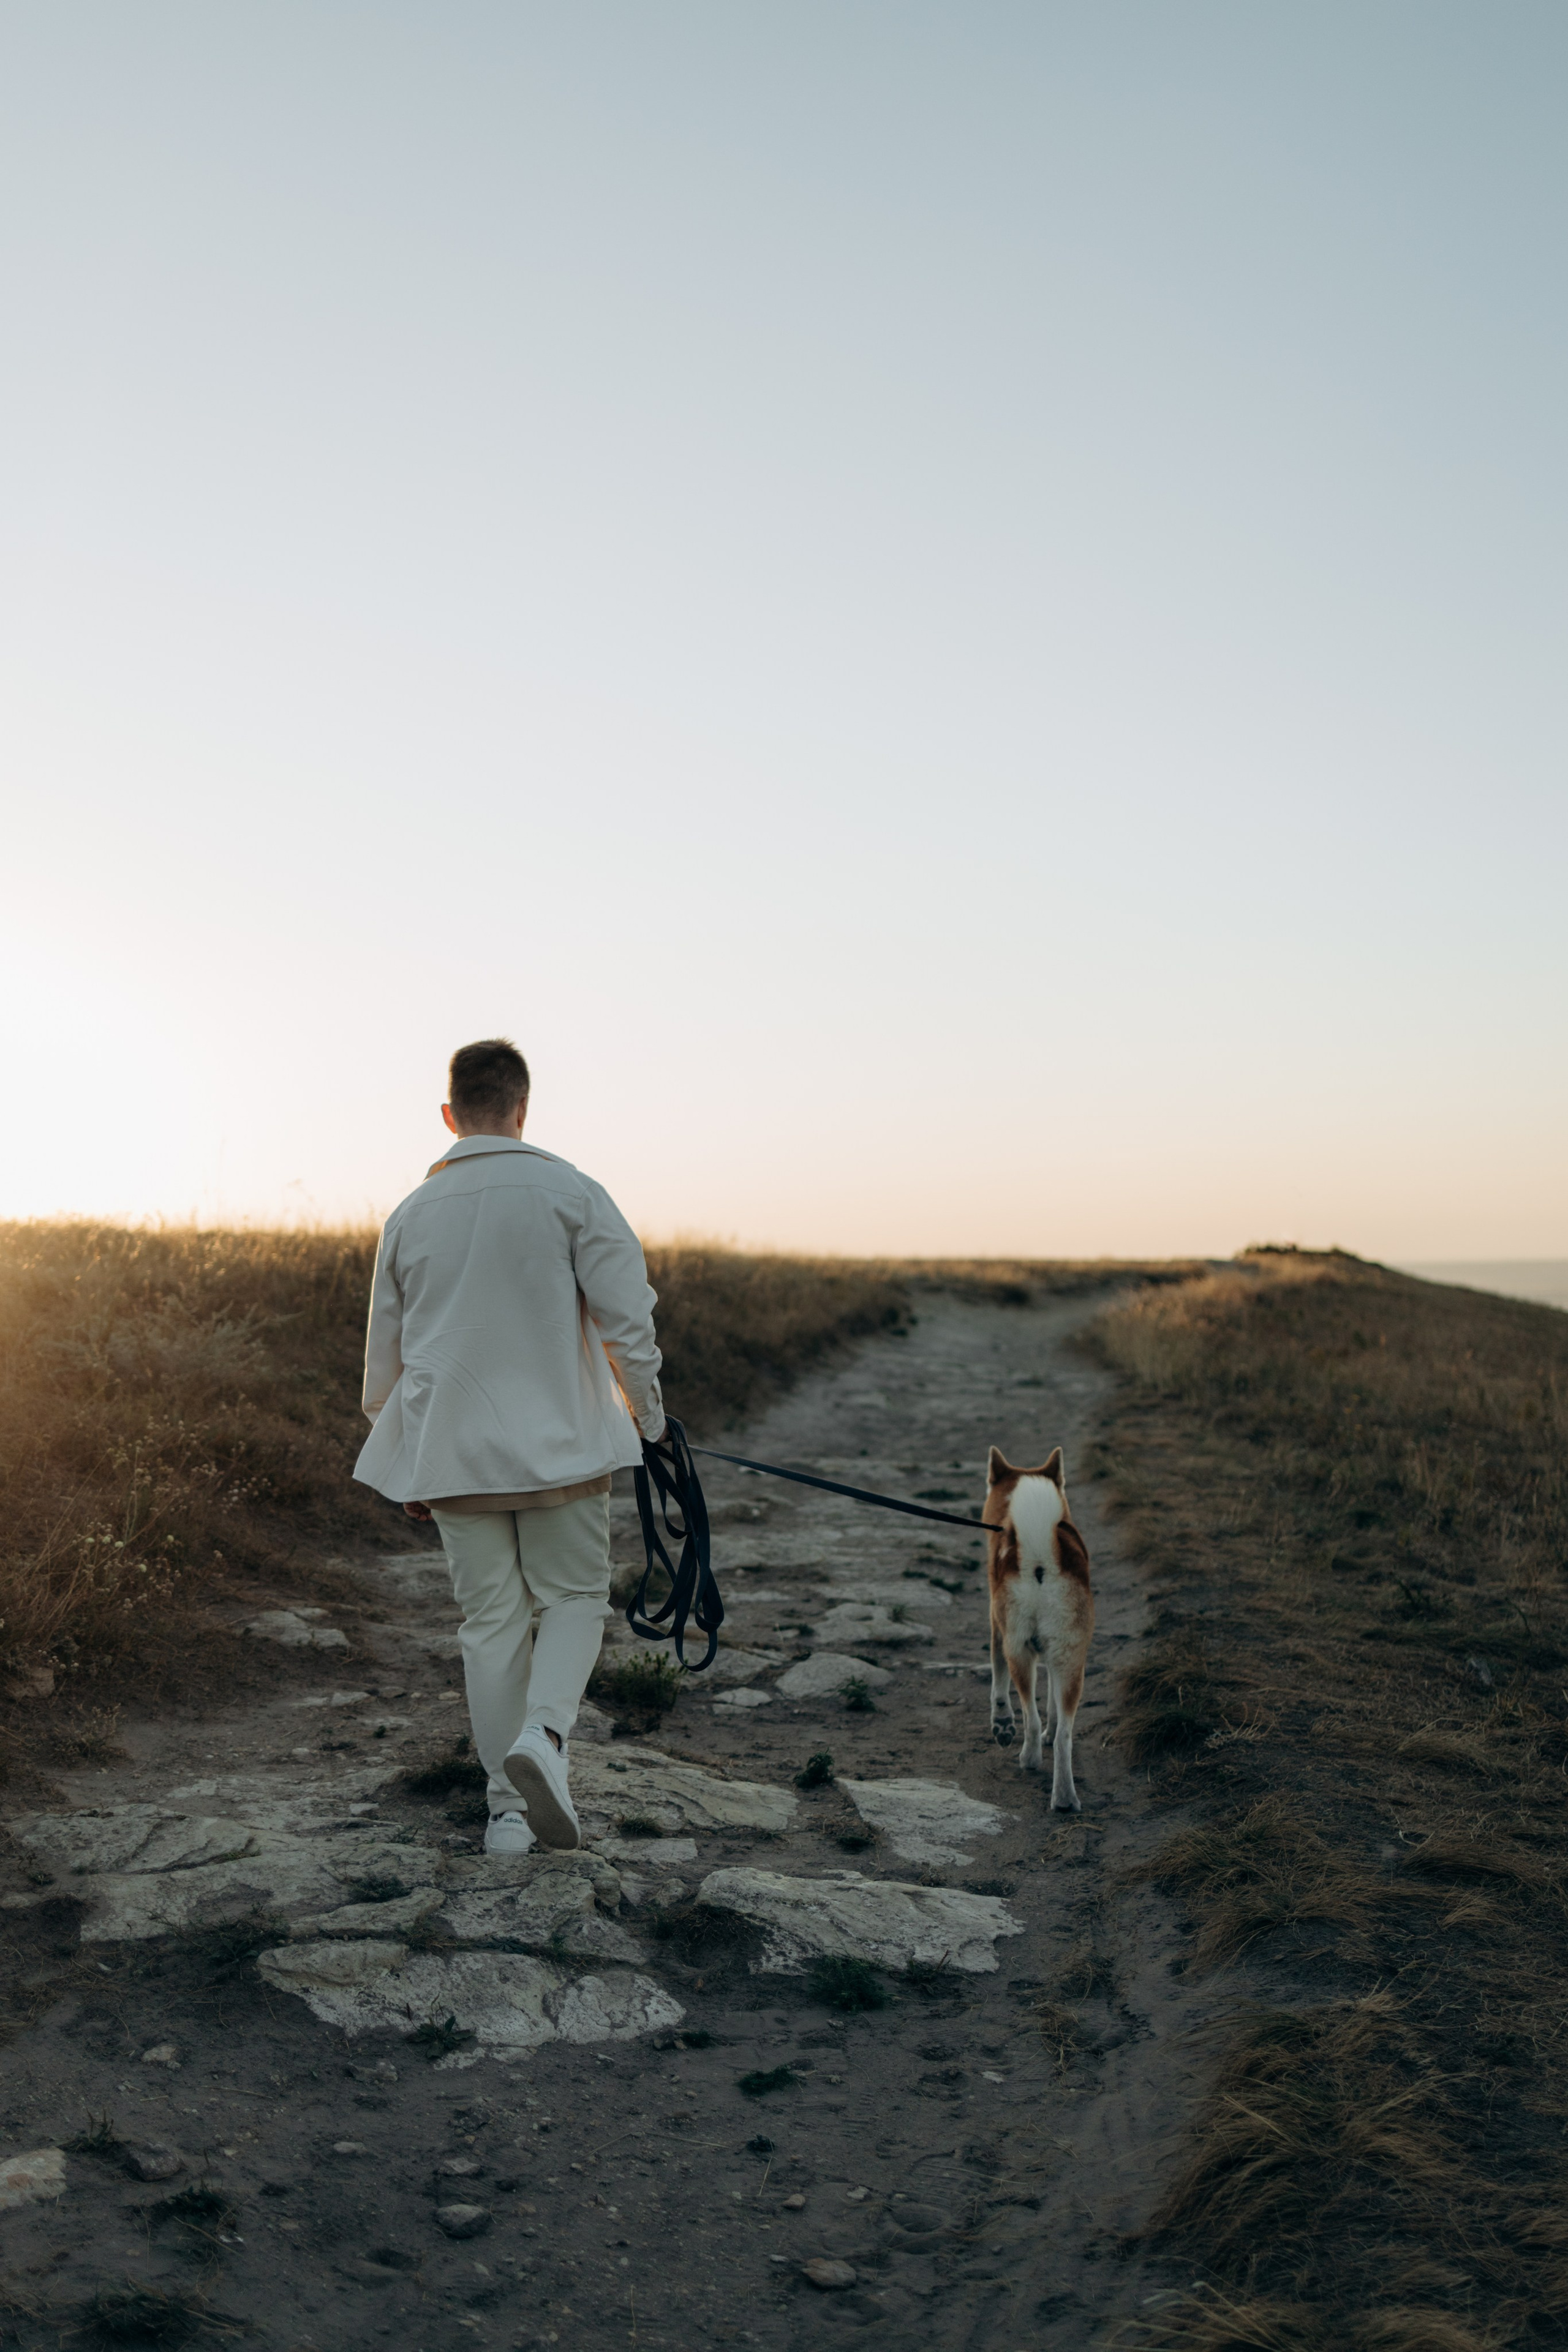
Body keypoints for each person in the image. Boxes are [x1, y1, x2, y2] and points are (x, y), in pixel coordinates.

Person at [354, 1038, 665, 1856]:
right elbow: (628, 1322)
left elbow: (384, 1360)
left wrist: (405, 1455)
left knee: (490, 1623)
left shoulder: (408, 1216)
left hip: (453, 1452)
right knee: (570, 1600)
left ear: (451, 1115)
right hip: (563, 1448)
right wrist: (651, 1418)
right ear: (523, 1110)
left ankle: (506, 1817)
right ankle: (548, 1740)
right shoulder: (573, 1192)